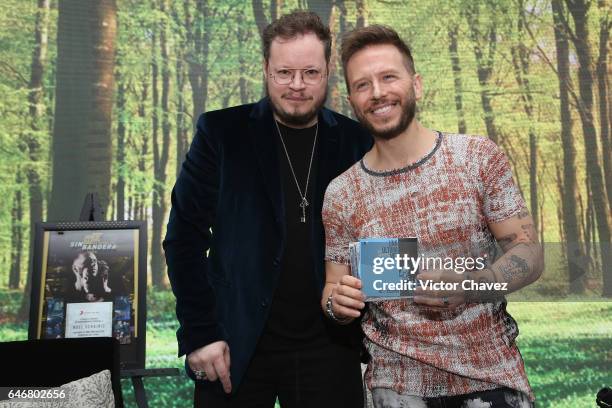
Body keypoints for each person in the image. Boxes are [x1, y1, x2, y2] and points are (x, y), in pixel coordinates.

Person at [322, 25, 544, 408]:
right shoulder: (341, 193)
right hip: (394, 390)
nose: (377, 93)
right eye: (362, 85)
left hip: (489, 379)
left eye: (389, 76)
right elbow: (332, 289)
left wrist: (473, 284)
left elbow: (530, 254)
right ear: (351, 100)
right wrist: (336, 304)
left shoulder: (477, 158)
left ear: (417, 85)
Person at [163, 10, 372, 408]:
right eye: (284, 73)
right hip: (233, 343)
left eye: (310, 73)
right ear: (265, 69)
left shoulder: (356, 141)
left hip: (329, 347)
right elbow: (183, 240)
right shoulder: (221, 133)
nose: (297, 85)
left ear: (328, 70)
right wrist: (200, 333)